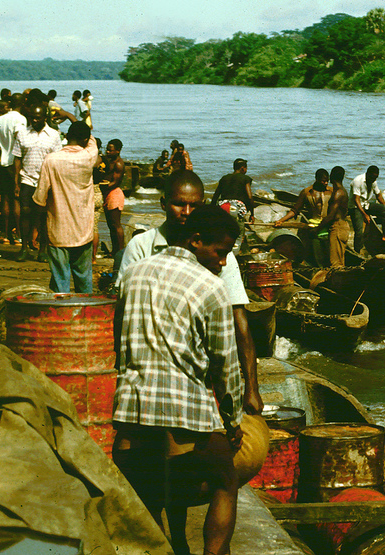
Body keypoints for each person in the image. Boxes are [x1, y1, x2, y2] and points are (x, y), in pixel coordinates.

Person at [112, 204, 244, 555]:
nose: (224, 262)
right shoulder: (211, 287)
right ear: (195, 241)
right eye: (221, 252)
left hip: (132, 410)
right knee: (225, 481)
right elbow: (225, 366)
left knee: (149, 496)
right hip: (186, 413)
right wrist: (232, 421)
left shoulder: (133, 273)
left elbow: (118, 341)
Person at [118, 169, 262, 417]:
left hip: (197, 368)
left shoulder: (218, 253)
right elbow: (122, 312)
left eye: (194, 206)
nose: (186, 213)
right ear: (163, 203)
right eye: (178, 205)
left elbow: (239, 322)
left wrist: (252, 387)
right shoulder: (141, 246)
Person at [32, 121, 100, 292]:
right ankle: (85, 312)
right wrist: (71, 117)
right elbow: (92, 141)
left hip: (58, 230)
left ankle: (61, 313)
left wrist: (38, 228)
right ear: (85, 139)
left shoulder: (51, 160)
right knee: (84, 279)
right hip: (84, 229)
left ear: (67, 136)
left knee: (60, 280)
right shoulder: (88, 157)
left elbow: (40, 199)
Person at [11, 103, 62, 262]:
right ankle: (24, 247)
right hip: (27, 179)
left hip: (46, 182)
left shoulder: (54, 135)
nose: (34, 120)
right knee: (25, 213)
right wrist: (16, 183)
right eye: (32, 117)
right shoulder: (22, 133)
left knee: (43, 216)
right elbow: (17, 159)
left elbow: (58, 160)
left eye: (37, 118)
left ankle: (43, 250)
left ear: (45, 118)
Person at [0, 92, 28, 245]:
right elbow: (19, 138)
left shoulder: (0, 119)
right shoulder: (21, 119)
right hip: (15, 162)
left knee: (5, 199)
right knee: (16, 199)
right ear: (23, 103)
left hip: (2, 161)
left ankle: (7, 233)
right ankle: (19, 234)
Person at [273, 168, 331, 266]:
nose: (325, 183)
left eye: (327, 181)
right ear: (316, 179)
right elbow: (295, 210)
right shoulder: (307, 192)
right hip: (313, 228)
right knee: (318, 256)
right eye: (323, 181)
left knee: (329, 256)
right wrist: (281, 220)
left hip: (328, 227)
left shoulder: (331, 192)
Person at [348, 165, 385, 251]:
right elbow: (356, 200)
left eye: (376, 177)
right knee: (359, 231)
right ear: (367, 174)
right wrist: (364, 215)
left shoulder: (373, 182)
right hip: (355, 207)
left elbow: (378, 195)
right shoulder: (358, 181)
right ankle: (358, 250)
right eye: (372, 177)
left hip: (366, 205)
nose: (374, 180)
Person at [313, 166, 350, 267]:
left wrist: (317, 229)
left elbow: (330, 217)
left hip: (338, 227)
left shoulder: (338, 193)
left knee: (335, 263)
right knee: (340, 260)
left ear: (331, 177)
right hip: (343, 226)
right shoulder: (342, 191)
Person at [101, 139, 126, 263]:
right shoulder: (109, 161)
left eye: (110, 150)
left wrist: (100, 186)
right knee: (111, 225)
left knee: (116, 225)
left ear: (118, 150)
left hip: (114, 193)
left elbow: (115, 182)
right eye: (107, 149)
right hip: (108, 193)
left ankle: (120, 251)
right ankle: (114, 250)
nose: (107, 151)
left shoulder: (119, 164)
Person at [211, 158, 254, 222]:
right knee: (239, 227)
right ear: (242, 168)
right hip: (237, 207)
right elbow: (250, 197)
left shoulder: (224, 178)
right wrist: (252, 214)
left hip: (223, 206)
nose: (246, 170)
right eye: (246, 168)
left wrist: (212, 212)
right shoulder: (245, 178)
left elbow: (215, 196)